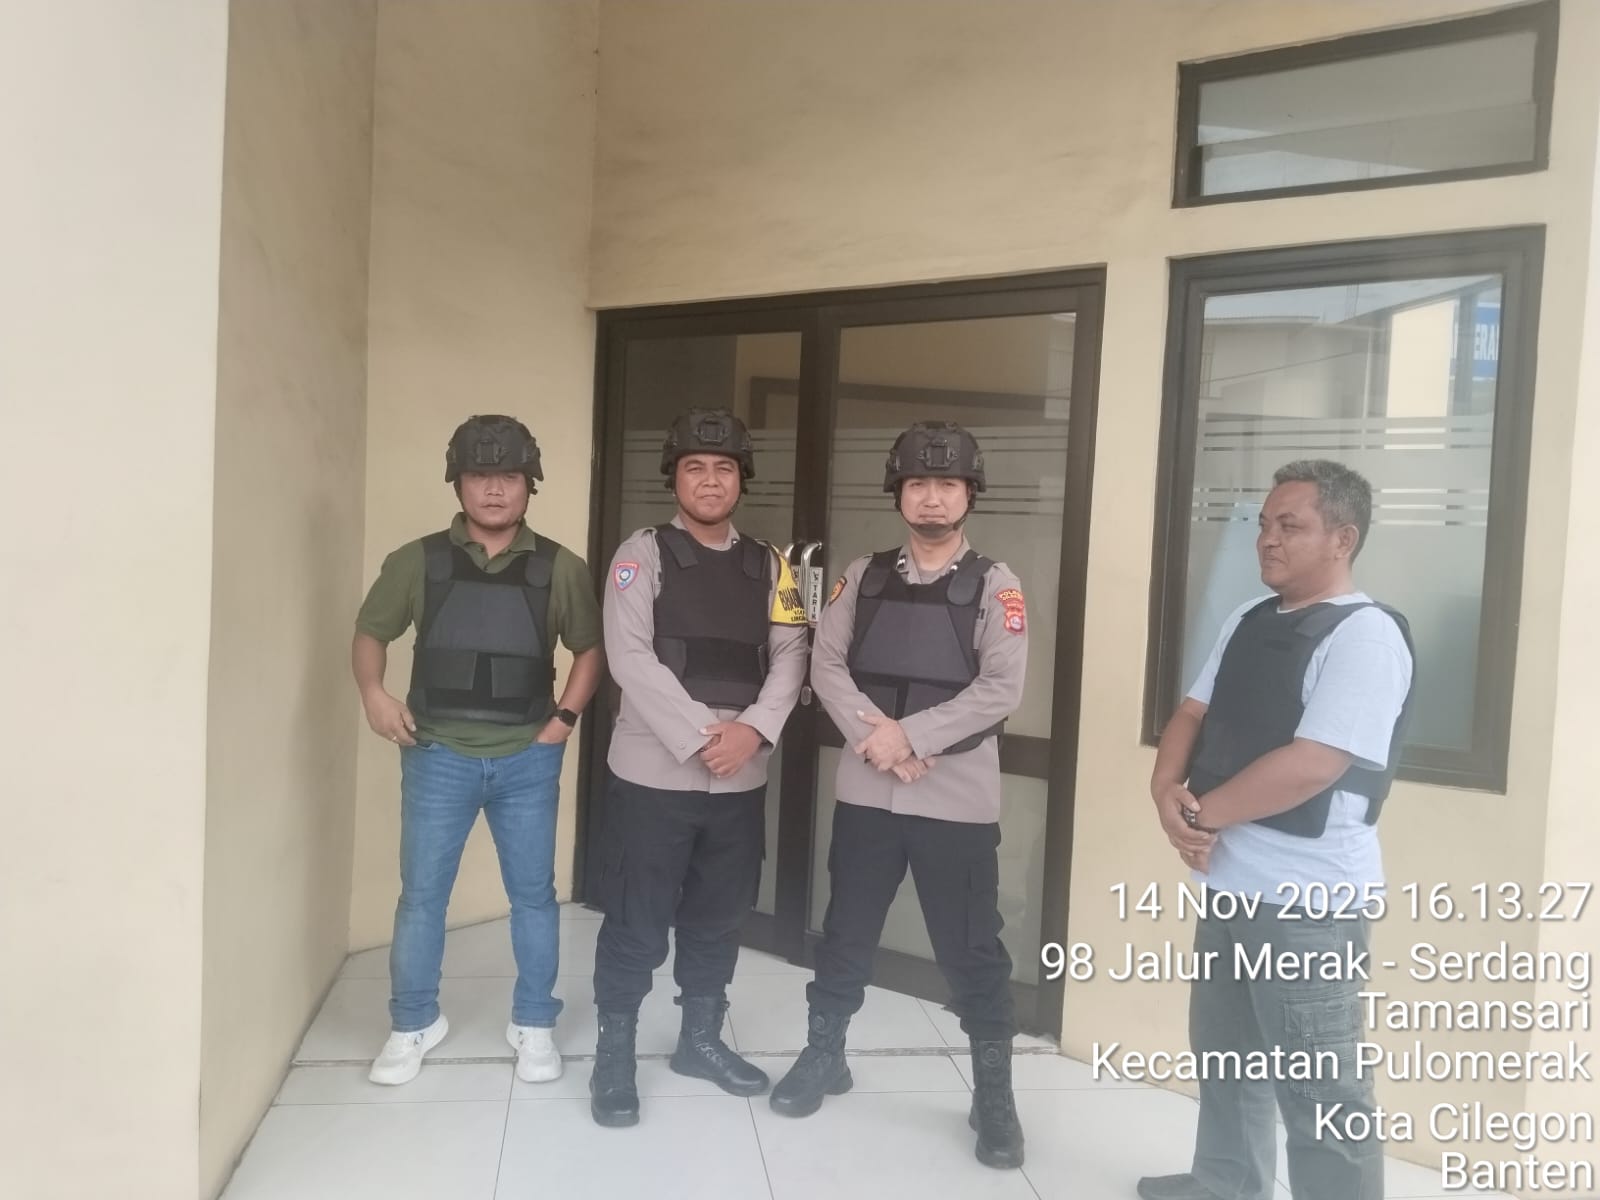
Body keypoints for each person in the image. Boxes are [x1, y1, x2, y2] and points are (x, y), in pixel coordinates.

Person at [1139, 459, 1414, 1200]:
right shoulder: (1250, 619)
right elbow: (1192, 713)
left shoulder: (1365, 637)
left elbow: (1312, 765)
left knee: (1321, 1091)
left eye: (1290, 526)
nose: (1267, 539)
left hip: (1308, 903)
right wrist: (1164, 791)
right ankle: (1224, 1184)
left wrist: (1198, 815)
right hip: (1232, 881)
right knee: (1227, 1058)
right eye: (1265, 524)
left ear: (1342, 539)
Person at [768, 421, 1029, 1170]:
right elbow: (826, 665)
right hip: (868, 794)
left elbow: (1000, 688)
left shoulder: (997, 585)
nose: (932, 497)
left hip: (957, 801)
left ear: (969, 494)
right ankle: (825, 1056)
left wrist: (907, 737)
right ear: (898, 493)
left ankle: (993, 1096)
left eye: (947, 484)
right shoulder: (863, 575)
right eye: (918, 483)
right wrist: (877, 739)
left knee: (972, 950)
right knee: (845, 931)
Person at [352, 414, 604, 1087]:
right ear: (458, 483)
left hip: (528, 758)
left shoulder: (560, 567)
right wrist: (374, 694)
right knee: (421, 898)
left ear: (529, 485)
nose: (494, 490)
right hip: (437, 754)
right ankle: (412, 1023)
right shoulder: (417, 561)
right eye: (479, 475)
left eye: (509, 477)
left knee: (534, 898)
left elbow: (589, 649)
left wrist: (563, 721)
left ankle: (534, 1023)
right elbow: (371, 631)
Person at [589, 407, 808, 1128]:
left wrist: (754, 731)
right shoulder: (642, 553)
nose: (710, 481)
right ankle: (614, 1055)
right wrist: (700, 734)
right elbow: (630, 656)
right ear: (674, 478)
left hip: (739, 779)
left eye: (723, 469)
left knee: (719, 917)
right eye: (694, 468)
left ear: (741, 480)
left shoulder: (772, 564)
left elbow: (790, 655)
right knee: (637, 919)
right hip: (654, 777)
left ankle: (700, 1041)